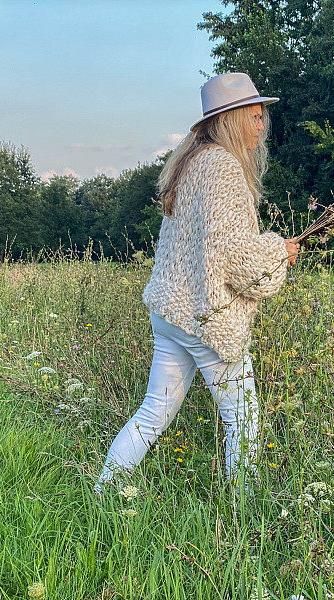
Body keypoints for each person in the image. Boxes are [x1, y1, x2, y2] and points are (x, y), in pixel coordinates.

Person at [94, 72, 300, 501]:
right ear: (235, 117)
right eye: (257, 115)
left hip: (171, 312)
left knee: (153, 413)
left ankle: (103, 493)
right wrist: (280, 250)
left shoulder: (191, 160)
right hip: (205, 317)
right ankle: (244, 511)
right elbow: (234, 259)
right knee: (242, 416)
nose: (263, 125)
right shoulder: (223, 166)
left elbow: (205, 247)